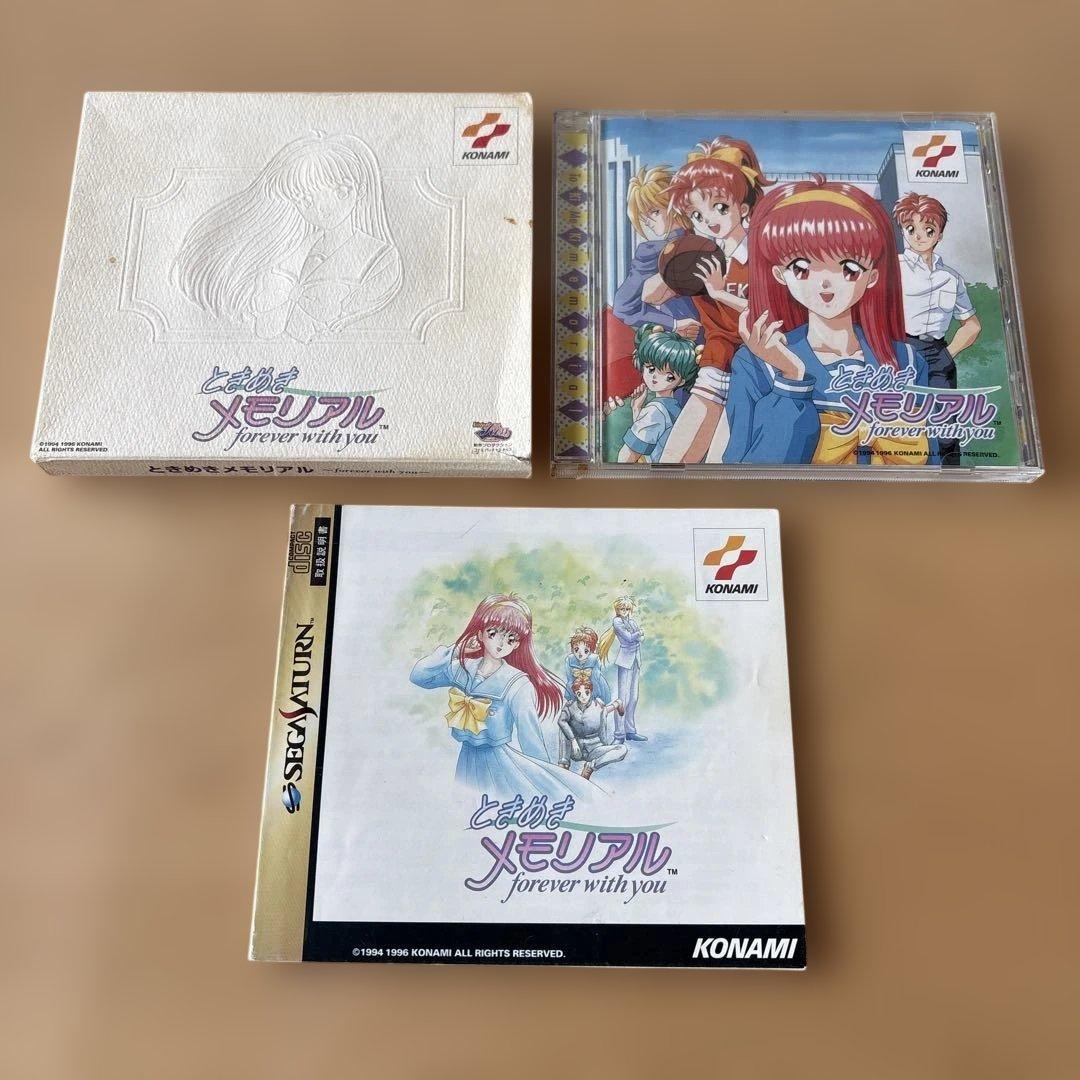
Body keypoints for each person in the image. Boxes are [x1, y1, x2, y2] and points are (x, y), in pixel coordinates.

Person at [723, 177, 935, 467]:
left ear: (872, 277)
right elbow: (745, 471)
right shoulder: (757, 363)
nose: (824, 282)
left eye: (849, 268)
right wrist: (791, 378)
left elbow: (933, 465)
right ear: (779, 275)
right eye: (801, 267)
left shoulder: (907, 361)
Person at [174, 132, 402, 342]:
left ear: (359, 191)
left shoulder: (381, 258)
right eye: (305, 200)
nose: (319, 208)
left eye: (340, 192)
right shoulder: (295, 248)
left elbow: (348, 326)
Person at [640, 137, 771, 463]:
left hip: (760, 368)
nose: (709, 219)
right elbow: (649, 295)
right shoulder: (698, 256)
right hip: (716, 363)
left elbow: (769, 313)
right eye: (697, 214)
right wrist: (672, 271)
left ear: (743, 208)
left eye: (720, 207)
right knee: (673, 460)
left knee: (722, 461)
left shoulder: (762, 255)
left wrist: (719, 293)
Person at [409, 594, 596, 800]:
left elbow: (530, 738)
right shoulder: (462, 669)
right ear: (480, 634)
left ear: (516, 644)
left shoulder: (517, 683)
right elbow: (419, 676)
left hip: (498, 764)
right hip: (466, 758)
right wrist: (456, 650)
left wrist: (544, 779)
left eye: (510, 639)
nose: (500, 643)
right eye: (493, 633)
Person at [893, 192, 982, 466]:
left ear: (940, 234)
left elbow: (971, 325)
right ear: (903, 231)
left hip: (938, 353)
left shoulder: (951, 278)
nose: (919, 236)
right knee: (899, 425)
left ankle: (951, 479)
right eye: (911, 229)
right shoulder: (893, 269)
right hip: (900, 351)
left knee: (945, 428)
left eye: (928, 230)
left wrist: (947, 354)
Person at [612, 165, 701, 339]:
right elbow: (623, 306)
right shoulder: (654, 251)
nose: (647, 221)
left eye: (654, 212)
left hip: (699, 336)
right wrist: (673, 324)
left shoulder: (654, 251)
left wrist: (673, 324)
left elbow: (623, 306)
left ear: (674, 206)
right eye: (643, 216)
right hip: (680, 339)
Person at [612, 325, 702, 463]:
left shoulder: (655, 410)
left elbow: (629, 454)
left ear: (682, 380)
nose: (655, 377)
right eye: (651, 368)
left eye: (669, 376)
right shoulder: (676, 408)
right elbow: (648, 436)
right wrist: (637, 409)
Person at [557, 673, 628, 781]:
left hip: (594, 750)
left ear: (590, 691)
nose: (583, 696)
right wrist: (573, 740)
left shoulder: (598, 706)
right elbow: (561, 721)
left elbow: (607, 710)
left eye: (586, 692)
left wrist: (618, 704)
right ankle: (563, 763)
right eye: (579, 693)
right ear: (575, 694)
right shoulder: (570, 707)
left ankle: (590, 767)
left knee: (622, 749)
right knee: (564, 727)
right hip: (575, 750)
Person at [597, 598, 647, 743]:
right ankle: (619, 734)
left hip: (636, 659)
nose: (624, 611)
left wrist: (638, 636)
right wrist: (639, 634)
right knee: (622, 700)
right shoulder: (617, 622)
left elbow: (640, 639)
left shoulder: (632, 622)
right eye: (621, 609)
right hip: (625, 661)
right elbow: (629, 637)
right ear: (617, 610)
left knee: (633, 698)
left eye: (626, 609)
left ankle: (630, 731)